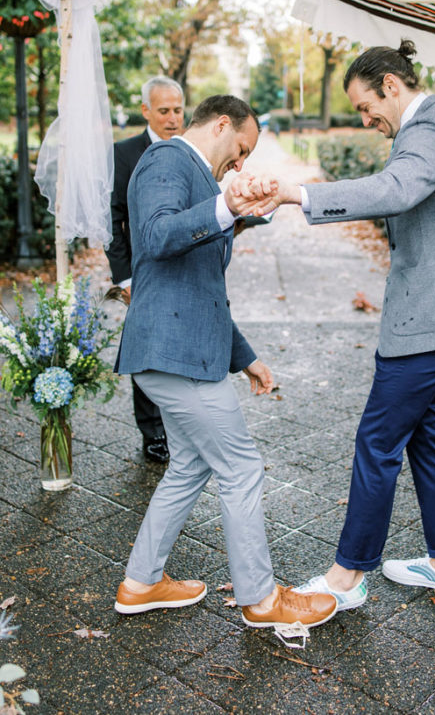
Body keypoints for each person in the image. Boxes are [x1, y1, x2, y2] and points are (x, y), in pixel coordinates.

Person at [240, 41, 435, 609]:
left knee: (378, 440)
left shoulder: (429, 131)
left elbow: (395, 190)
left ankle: (347, 578)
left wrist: (298, 193)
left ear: (391, 84)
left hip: (433, 318)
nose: (366, 121)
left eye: (366, 106)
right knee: (428, 435)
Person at [113, 94, 337, 631]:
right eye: (241, 149)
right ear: (219, 124)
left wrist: (248, 359)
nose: (240, 164)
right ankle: (262, 599)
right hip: (173, 354)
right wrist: (228, 207)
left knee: (190, 466)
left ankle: (141, 583)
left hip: (178, 350)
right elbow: (156, 236)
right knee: (239, 467)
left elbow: (201, 289)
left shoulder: (200, 177)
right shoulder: (168, 158)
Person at [106, 76, 185, 464]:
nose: (172, 119)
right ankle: (152, 431)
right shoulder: (124, 154)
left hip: (184, 266)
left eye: (178, 110)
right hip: (141, 272)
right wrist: (124, 277)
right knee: (146, 350)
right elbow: (112, 219)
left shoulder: (189, 151)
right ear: (146, 111)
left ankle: (180, 426)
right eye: (164, 111)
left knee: (181, 346)